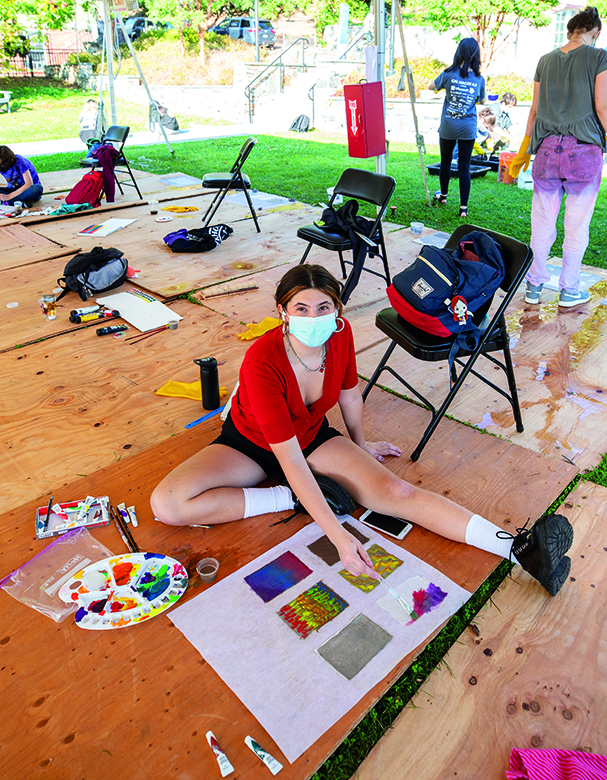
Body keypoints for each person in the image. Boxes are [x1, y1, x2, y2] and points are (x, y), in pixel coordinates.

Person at [151, 264, 573, 596]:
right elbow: (289, 458)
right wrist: (337, 534)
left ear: (338, 310)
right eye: (301, 308)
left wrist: (361, 447)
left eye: (324, 308)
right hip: (249, 442)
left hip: (311, 434)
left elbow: (350, 396)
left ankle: (518, 550)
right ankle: (289, 498)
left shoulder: (341, 335)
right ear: (281, 311)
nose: (313, 317)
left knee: (397, 493)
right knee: (168, 504)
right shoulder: (262, 361)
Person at [510, 6, 607, 307]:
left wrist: (525, 148)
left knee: (541, 223)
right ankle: (569, 290)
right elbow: (602, 107)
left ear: (569, 31)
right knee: (576, 226)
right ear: (595, 33)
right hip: (584, 151)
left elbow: (535, 110)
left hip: (547, 152)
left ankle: (534, 287)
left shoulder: (545, 60)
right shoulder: (598, 56)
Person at [429, 38, 485, 218]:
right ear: (476, 55)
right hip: (468, 127)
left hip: (448, 125)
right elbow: (481, 100)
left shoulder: (448, 73)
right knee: (464, 166)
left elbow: (431, 86)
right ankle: (463, 208)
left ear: (459, 52)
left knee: (445, 161)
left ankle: (443, 196)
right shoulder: (479, 78)